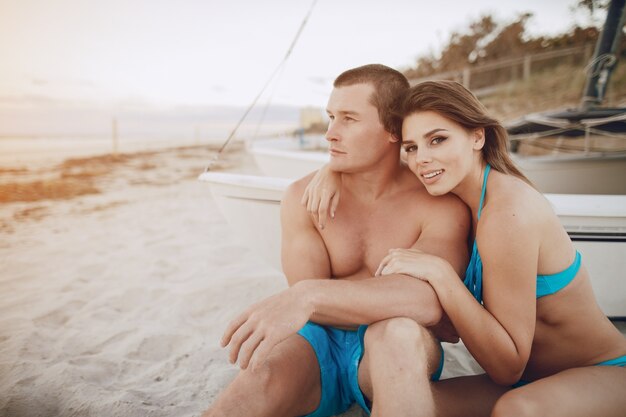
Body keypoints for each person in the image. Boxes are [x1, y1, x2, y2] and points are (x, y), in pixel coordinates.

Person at [304, 80, 626, 416]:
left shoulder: (507, 213)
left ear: (477, 136)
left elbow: (507, 366)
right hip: (532, 380)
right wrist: (333, 169)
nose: (422, 160)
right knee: (410, 398)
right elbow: (379, 166)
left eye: (438, 140)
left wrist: (443, 276)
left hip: (602, 370)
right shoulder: (458, 199)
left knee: (517, 410)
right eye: (412, 147)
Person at [202, 65, 508, 417]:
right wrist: (315, 297)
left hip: (398, 341)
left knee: (398, 335)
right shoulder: (303, 197)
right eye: (331, 116)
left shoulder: (438, 203)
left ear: (394, 129)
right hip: (320, 343)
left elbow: (425, 303)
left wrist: (311, 296)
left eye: (349, 119)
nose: (330, 133)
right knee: (256, 384)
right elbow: (313, 310)